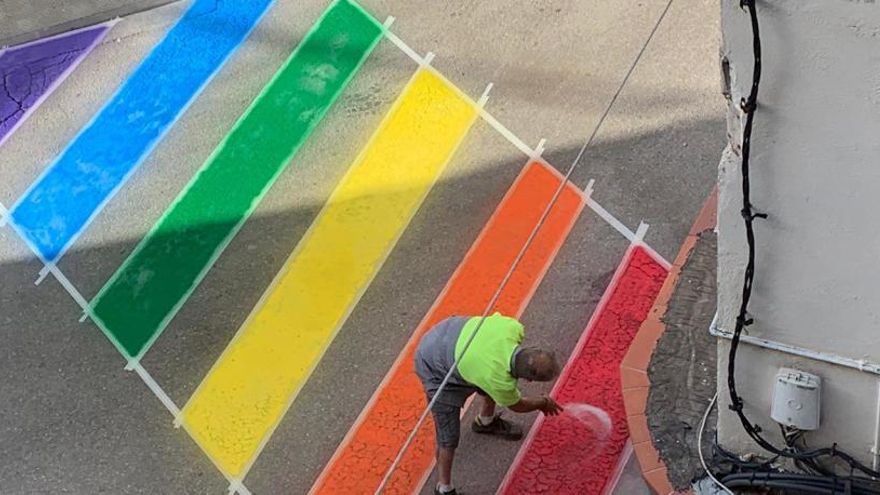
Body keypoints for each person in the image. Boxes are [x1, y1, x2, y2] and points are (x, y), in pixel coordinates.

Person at [414, 312, 564, 495]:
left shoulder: (512, 328)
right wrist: (542, 403)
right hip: (434, 365)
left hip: (449, 331)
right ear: (530, 380)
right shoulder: (499, 378)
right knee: (448, 437)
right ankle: (444, 488)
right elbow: (518, 405)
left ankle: (486, 421)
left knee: (487, 380)